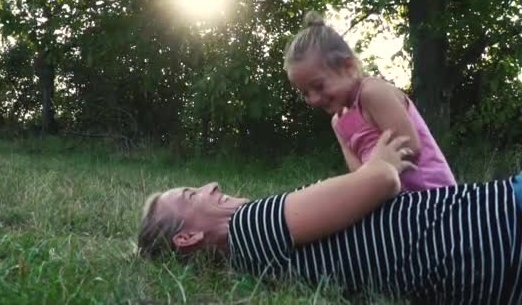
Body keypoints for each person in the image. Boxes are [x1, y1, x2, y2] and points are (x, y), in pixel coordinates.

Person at [137, 132, 522, 304]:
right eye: (192, 195)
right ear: (186, 237)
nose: (210, 184)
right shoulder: (250, 224)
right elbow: (381, 180)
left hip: (491, 278)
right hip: (501, 220)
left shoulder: (252, 270)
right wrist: (381, 156)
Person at [283, 10, 456, 192]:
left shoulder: (372, 92)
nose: (313, 99)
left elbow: (410, 146)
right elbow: (360, 176)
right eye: (304, 93)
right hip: (393, 204)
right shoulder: (338, 122)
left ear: (348, 67)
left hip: (433, 196)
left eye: (318, 86)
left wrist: (376, 169)